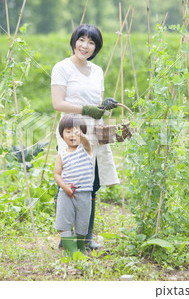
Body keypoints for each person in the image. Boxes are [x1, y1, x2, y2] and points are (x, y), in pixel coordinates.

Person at [51, 24, 119, 250]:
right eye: (82, 40)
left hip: (93, 132)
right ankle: (67, 239)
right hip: (71, 130)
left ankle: (86, 238)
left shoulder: (97, 71)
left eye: (92, 42)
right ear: (74, 41)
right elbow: (58, 103)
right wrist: (85, 109)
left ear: (96, 48)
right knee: (71, 184)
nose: (85, 46)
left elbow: (97, 104)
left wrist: (104, 106)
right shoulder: (62, 68)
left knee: (92, 183)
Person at [54, 114, 93, 257]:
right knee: (64, 222)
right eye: (68, 131)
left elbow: (87, 142)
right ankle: (71, 251)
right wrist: (65, 187)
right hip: (66, 194)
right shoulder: (61, 154)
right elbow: (57, 174)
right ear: (62, 134)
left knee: (82, 222)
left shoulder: (85, 149)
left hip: (84, 193)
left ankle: (80, 247)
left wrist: (82, 137)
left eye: (75, 132)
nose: (72, 135)